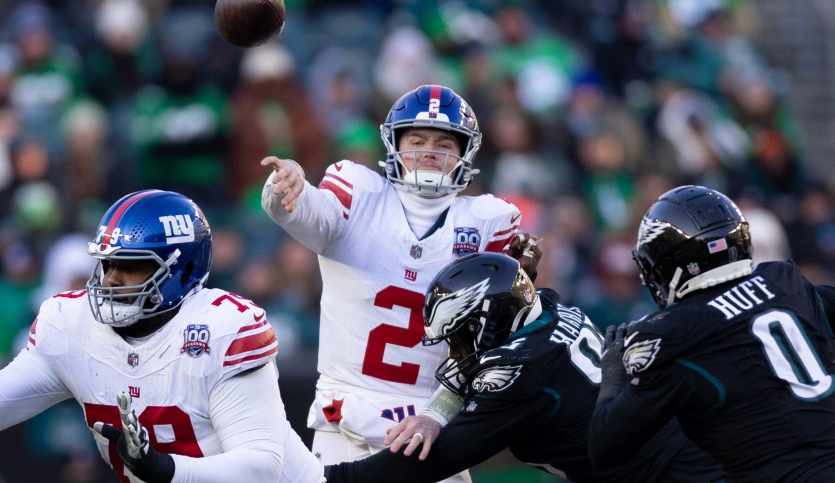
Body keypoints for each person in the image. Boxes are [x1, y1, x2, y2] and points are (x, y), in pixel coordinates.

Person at [261, 84, 540, 480]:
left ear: (465, 154)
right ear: (395, 144)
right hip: (347, 418)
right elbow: (306, 211)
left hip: (434, 423)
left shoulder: (487, 222)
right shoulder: (359, 192)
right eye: (418, 139)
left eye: (444, 142)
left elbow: (488, 343)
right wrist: (286, 190)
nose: (429, 150)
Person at [0, 189, 323, 482]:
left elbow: (260, 468)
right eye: (108, 264)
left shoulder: (220, 329)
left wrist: (164, 469)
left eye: (130, 266)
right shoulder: (70, 324)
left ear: (181, 269)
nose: (111, 279)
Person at [324, 252, 724, 482]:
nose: (456, 353)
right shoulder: (547, 307)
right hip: (681, 454)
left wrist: (328, 478)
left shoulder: (520, 370)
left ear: (490, 322)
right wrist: (435, 412)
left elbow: (432, 462)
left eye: (461, 337)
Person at [589, 185, 835, 482]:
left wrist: (612, 374)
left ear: (670, 263)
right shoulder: (785, 282)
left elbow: (605, 447)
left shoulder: (678, 337)